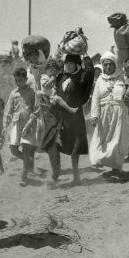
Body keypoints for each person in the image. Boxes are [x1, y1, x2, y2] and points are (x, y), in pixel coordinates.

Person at [23, 73, 78, 188]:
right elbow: (36, 111)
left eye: (49, 82)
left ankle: (56, 174)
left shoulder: (56, 95)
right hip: (47, 126)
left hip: (58, 124)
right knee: (51, 149)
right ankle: (55, 173)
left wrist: (70, 110)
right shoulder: (39, 95)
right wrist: (28, 124)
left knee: (55, 148)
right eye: (44, 82)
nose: (47, 84)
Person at [89, 52, 129, 173]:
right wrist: (94, 115)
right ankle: (98, 161)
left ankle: (116, 166)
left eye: (110, 64)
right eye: (105, 65)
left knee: (116, 140)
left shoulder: (122, 78)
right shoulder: (99, 81)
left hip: (119, 114)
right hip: (103, 114)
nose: (108, 67)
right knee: (101, 138)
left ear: (115, 65)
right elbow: (95, 99)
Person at [55, 54, 94, 185]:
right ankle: (55, 173)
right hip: (60, 115)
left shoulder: (81, 78)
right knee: (55, 142)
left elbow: (90, 72)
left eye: (71, 63)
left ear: (77, 65)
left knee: (74, 146)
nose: (67, 65)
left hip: (74, 116)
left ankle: (76, 176)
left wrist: (85, 54)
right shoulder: (61, 77)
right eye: (66, 63)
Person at [4, 67, 37, 187]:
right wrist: (5, 125)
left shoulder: (31, 92)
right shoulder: (13, 94)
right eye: (16, 80)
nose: (18, 83)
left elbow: (36, 109)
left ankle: (24, 178)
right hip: (16, 123)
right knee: (13, 149)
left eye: (21, 80)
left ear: (26, 79)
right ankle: (28, 159)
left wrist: (31, 122)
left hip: (28, 123)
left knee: (26, 148)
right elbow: (8, 111)